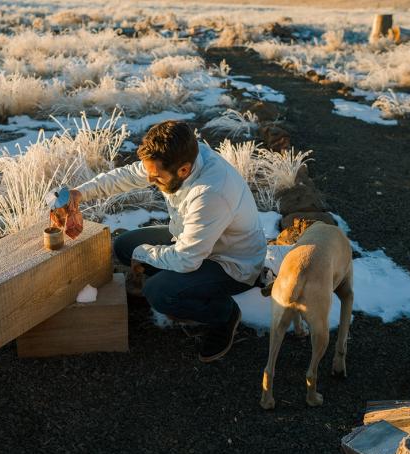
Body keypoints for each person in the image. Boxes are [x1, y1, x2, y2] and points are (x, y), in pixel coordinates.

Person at [67, 120, 267, 362]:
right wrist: (79, 192)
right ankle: (181, 287)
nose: (151, 181)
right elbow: (130, 175)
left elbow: (186, 260)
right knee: (124, 247)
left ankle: (224, 314)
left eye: (157, 178)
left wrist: (144, 254)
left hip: (231, 262)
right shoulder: (182, 155)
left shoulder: (210, 193)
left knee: (159, 293)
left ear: (183, 170)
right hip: (192, 241)